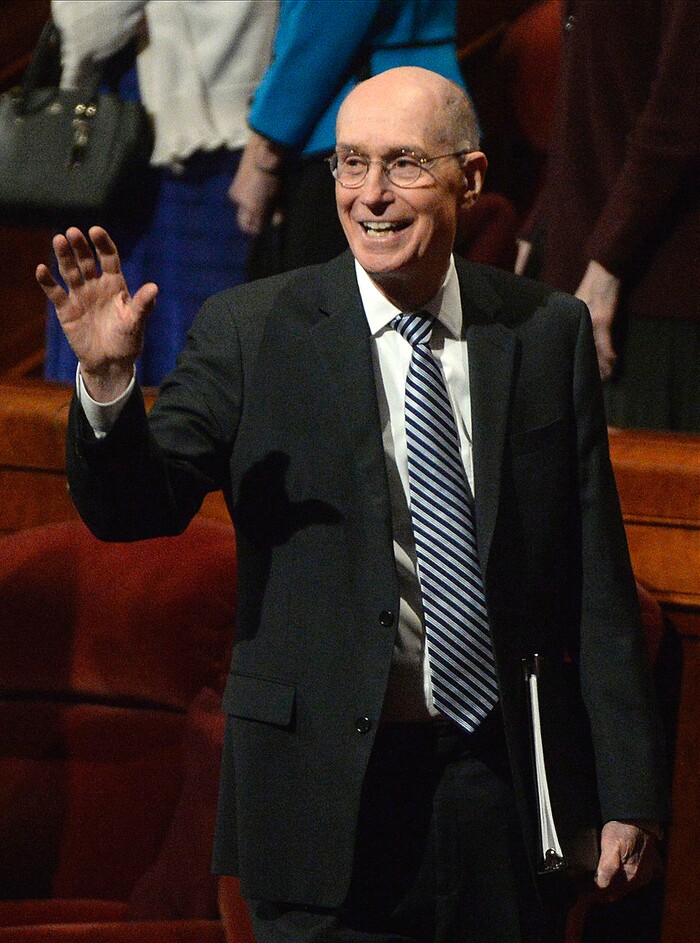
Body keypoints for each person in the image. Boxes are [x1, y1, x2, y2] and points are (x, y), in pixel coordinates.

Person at [36, 67, 668, 943]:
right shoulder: (250, 329)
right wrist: (107, 384)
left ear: (471, 177)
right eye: (350, 163)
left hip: (500, 793)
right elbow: (135, 507)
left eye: (404, 163)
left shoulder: (544, 330)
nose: (371, 194)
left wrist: (629, 791)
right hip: (318, 794)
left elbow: (596, 577)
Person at [46, 0, 278, 386]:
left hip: (210, 156)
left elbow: (88, 21)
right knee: (102, 344)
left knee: (206, 358)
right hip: (112, 141)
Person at [515, 0, 700, 432]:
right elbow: (596, 93)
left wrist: (608, 263)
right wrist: (544, 219)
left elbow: (682, 109)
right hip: (591, 266)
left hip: (652, 293)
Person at [229, 0, 468, 277]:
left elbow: (322, 35)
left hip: (350, 113)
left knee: (327, 294)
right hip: (430, 101)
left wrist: (264, 156)